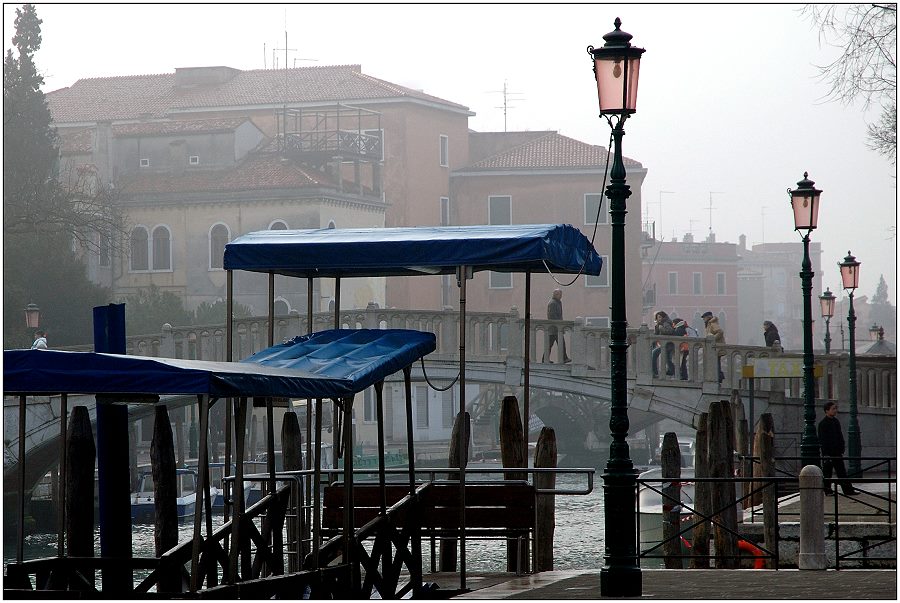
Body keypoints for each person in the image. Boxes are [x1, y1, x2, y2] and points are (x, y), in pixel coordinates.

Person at [817, 401, 857, 496]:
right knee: (827, 472)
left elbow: (840, 435)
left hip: (837, 451)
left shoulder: (836, 421)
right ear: (827, 411)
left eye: (836, 408)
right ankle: (828, 490)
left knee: (841, 472)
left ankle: (848, 490)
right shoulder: (823, 424)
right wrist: (825, 454)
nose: (835, 411)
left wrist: (842, 447)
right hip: (828, 453)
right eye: (833, 409)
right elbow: (823, 440)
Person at [544, 289, 570, 363]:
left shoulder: (558, 302)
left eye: (561, 294)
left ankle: (544, 359)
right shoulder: (552, 303)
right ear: (555, 294)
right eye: (559, 294)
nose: (561, 296)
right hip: (554, 328)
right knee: (559, 343)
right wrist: (558, 325)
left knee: (550, 344)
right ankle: (564, 358)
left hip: (557, 328)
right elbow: (552, 316)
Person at [701, 311, 725, 383]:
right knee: (715, 363)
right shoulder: (709, 324)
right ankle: (719, 377)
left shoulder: (712, 323)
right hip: (714, 348)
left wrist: (713, 339)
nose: (703, 320)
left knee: (716, 363)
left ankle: (718, 377)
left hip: (716, 348)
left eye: (704, 318)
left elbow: (720, 332)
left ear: (708, 317)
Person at [651, 311, 675, 378]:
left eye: (660, 317)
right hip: (665, 344)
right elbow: (656, 334)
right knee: (668, 360)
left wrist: (661, 328)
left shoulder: (666, 323)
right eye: (657, 317)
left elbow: (670, 331)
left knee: (654, 353)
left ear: (663, 317)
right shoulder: (660, 323)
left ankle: (655, 372)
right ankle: (675, 372)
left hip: (668, 344)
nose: (658, 319)